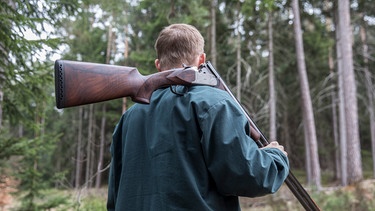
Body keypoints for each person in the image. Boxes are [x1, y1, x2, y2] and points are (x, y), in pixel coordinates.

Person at [107, 23, 289, 211]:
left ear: (158, 65)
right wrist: (276, 156)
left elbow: (114, 196)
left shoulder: (128, 117)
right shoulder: (216, 103)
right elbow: (248, 176)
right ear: (201, 60)